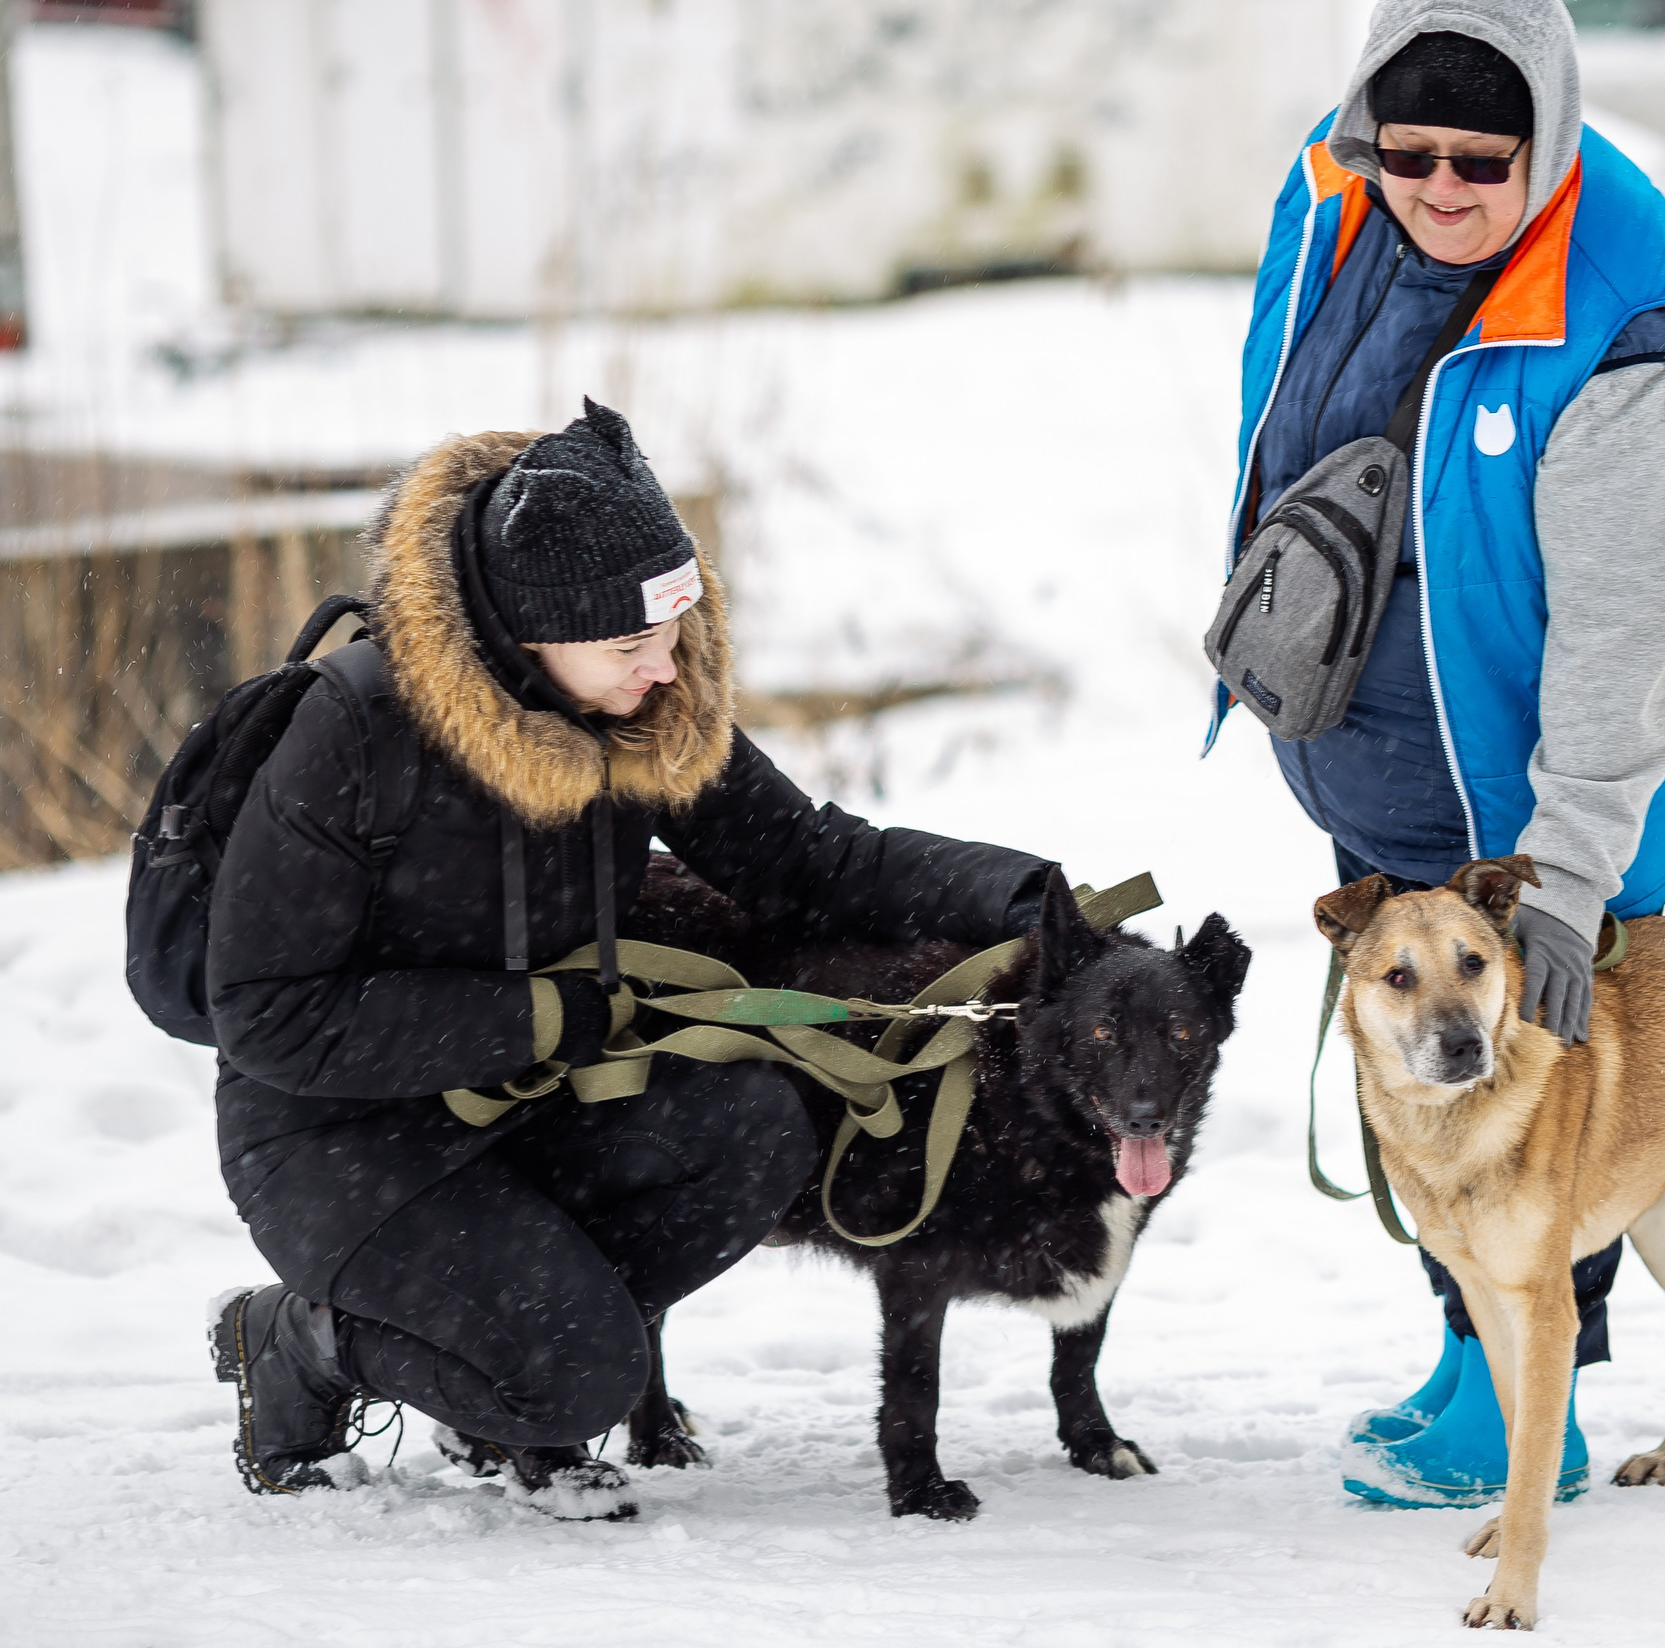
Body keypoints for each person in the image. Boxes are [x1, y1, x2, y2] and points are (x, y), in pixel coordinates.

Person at [204, 401, 1055, 1518]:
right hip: (337, 1133)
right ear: (527, 631)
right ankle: (303, 1339)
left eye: (675, 633)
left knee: (759, 1127)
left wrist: (1023, 895)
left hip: (537, 1105)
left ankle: (503, 1361)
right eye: (630, 647)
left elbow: (805, 861)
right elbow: (265, 1015)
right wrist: (542, 1022)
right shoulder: (354, 736)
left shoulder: (639, 707)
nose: (665, 673)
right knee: (578, 1378)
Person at [1209, 0, 1665, 1507]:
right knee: (1424, 1082)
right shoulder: (1335, 189)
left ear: (1553, 138)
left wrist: (1571, 872)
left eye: (1483, 161)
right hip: (1378, 755)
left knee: (1535, 1095)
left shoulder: (1634, 320)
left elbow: (1629, 638)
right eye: (1412, 152)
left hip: (1539, 787)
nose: (1440, 188)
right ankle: (1469, 1354)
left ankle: (1540, 1408)